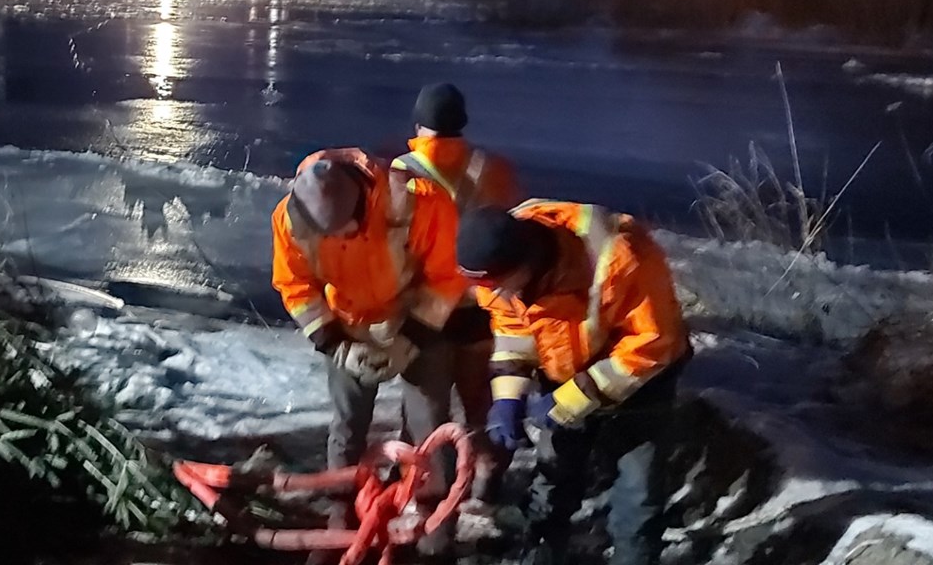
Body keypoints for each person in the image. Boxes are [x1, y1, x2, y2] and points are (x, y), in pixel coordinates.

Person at [456, 202, 691, 565]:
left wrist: (578, 396)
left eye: (494, 284)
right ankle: (539, 554)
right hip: (564, 370)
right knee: (553, 479)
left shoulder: (622, 258)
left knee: (637, 495)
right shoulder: (498, 275)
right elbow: (512, 329)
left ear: (525, 263)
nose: (491, 294)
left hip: (643, 382)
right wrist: (508, 396)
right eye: (482, 285)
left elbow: (652, 344)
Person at [271, 148, 467, 560]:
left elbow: (447, 279)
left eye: (342, 231)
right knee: (347, 424)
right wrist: (337, 346)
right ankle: (340, 516)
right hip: (347, 324)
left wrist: (409, 340)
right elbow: (296, 286)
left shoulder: (421, 203)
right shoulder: (293, 218)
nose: (335, 241)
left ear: (361, 204)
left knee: (428, 426)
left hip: (418, 321)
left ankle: (430, 525)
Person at [393, 82, 522, 503]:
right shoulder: (496, 169)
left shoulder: (402, 172)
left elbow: (394, 248)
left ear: (418, 124)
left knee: (426, 410)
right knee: (479, 402)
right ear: (462, 124)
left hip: (427, 312)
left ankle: (429, 496)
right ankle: (486, 479)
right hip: (482, 307)